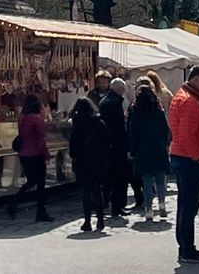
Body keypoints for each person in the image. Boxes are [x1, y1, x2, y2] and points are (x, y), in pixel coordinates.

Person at [169, 63, 199, 264]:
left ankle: (185, 246)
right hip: (189, 160)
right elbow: (187, 135)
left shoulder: (185, 97)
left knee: (184, 205)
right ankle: (187, 249)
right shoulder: (189, 102)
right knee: (189, 207)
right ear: (196, 79)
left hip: (183, 157)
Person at [69, 96, 112, 233]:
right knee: (97, 190)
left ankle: (87, 221)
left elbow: (73, 146)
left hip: (82, 162)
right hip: (97, 161)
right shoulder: (98, 122)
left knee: (86, 192)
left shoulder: (77, 124)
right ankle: (100, 220)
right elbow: (108, 140)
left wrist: (75, 156)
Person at [128, 84, 171, 220]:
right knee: (160, 178)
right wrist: (166, 143)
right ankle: (162, 203)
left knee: (146, 180)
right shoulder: (159, 111)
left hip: (142, 149)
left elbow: (132, 133)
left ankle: (148, 209)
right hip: (158, 147)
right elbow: (165, 130)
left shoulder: (135, 112)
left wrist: (132, 149)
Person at [9, 94, 53, 222]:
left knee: (31, 181)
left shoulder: (22, 117)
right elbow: (40, 140)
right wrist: (46, 154)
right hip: (35, 154)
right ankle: (40, 211)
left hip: (24, 153)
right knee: (40, 184)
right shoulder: (37, 119)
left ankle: (14, 203)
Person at [99, 77, 135, 217]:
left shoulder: (104, 101)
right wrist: (127, 146)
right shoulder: (115, 103)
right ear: (120, 89)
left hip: (107, 146)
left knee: (109, 178)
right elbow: (119, 128)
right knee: (120, 178)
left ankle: (109, 204)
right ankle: (118, 206)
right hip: (117, 146)